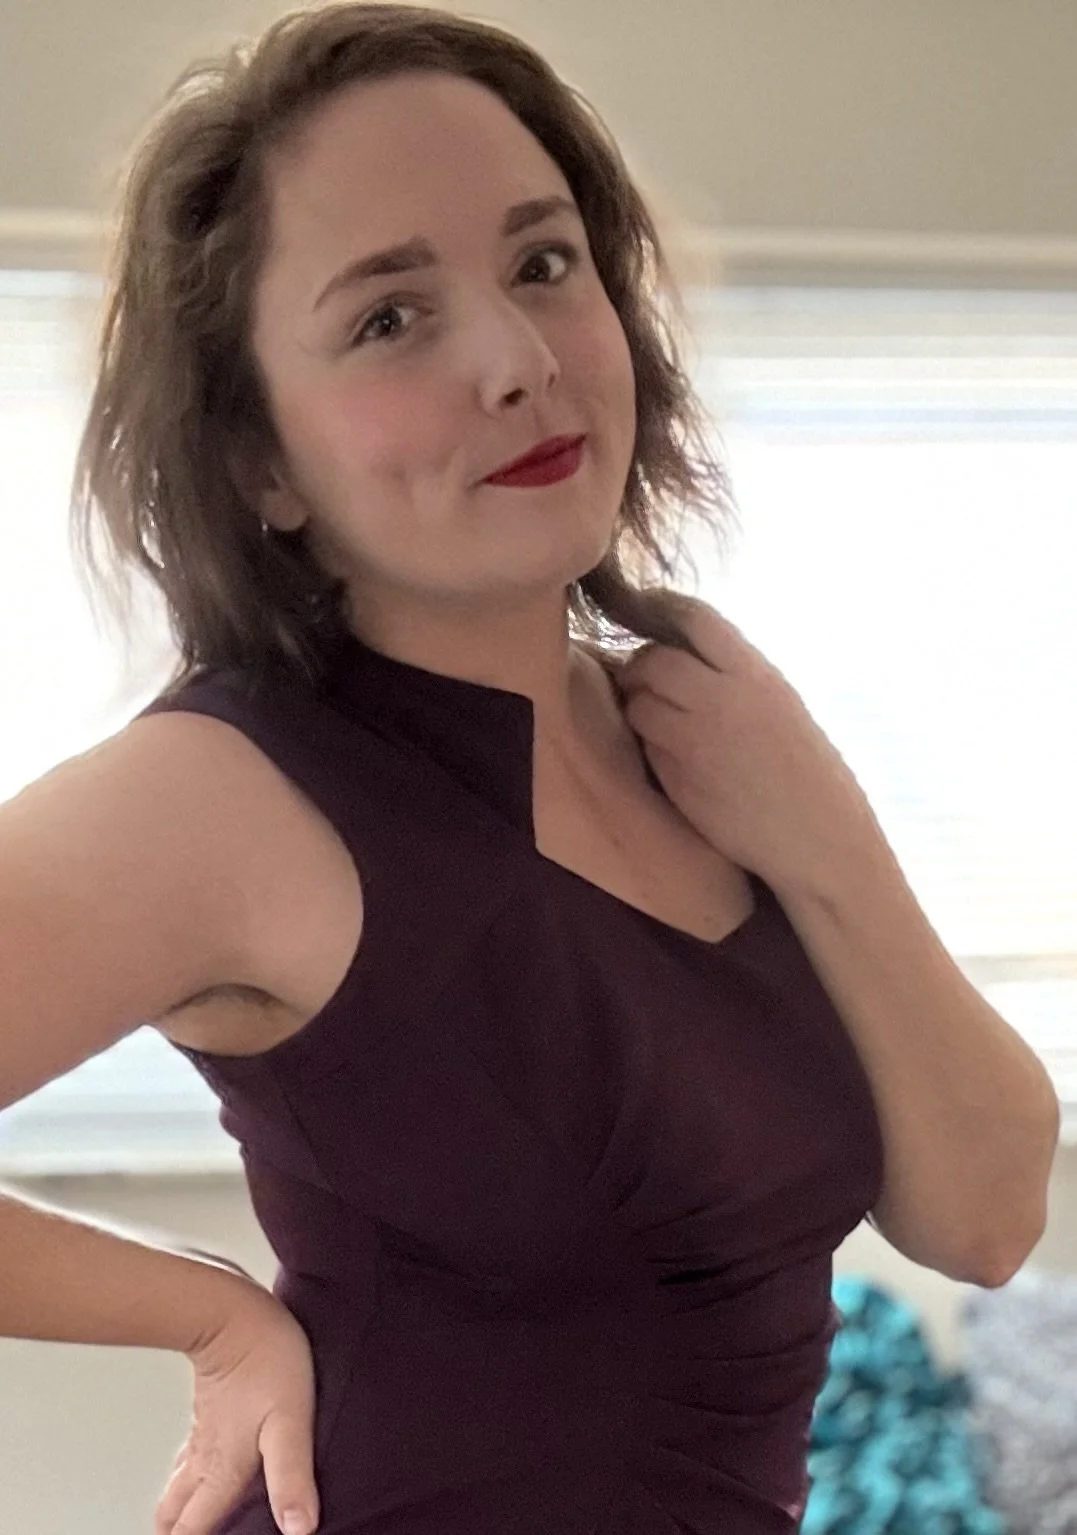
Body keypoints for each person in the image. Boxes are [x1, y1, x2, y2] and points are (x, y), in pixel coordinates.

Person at [0, 5, 888, 1533]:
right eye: (389, 318)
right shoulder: (220, 792)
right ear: (257, 460)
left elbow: (985, 1209)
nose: (520, 361)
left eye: (543, 263)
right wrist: (206, 1307)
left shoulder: (702, 738)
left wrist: (831, 831)